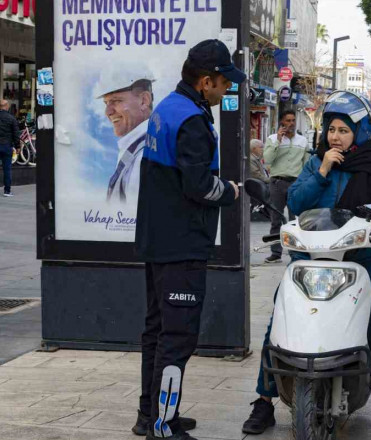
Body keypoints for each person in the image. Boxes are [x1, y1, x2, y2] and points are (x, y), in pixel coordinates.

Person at [242, 91, 371, 439]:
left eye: (344, 130)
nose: (335, 136)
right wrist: (321, 170)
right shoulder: (313, 162)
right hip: (309, 259)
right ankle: (264, 400)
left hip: (358, 259)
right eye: (331, 129)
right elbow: (295, 202)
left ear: (360, 132)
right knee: (277, 324)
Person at [133, 39, 245, 440]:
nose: (227, 88)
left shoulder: (169, 107)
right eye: (223, 81)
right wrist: (231, 191)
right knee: (178, 337)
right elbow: (198, 187)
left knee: (158, 332)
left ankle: (152, 415)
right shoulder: (193, 121)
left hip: (158, 240)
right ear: (205, 81)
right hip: (181, 244)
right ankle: (163, 426)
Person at [96, 68, 154, 203]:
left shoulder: (144, 156)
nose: (108, 111)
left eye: (116, 100)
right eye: (106, 103)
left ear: (144, 101)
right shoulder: (138, 146)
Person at [263, 110, 310, 263]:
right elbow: (267, 159)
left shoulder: (302, 141)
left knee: (294, 220)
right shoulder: (272, 139)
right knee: (275, 219)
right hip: (277, 182)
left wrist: (304, 183)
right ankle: (275, 253)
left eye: (293, 120)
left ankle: (295, 252)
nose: (291, 123)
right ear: (282, 122)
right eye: (288, 120)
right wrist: (278, 140)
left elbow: (306, 164)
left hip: (295, 183)